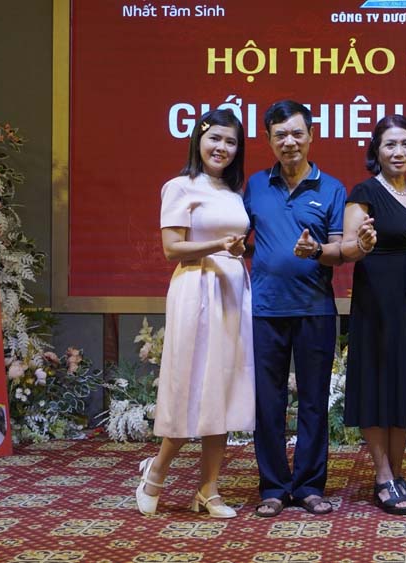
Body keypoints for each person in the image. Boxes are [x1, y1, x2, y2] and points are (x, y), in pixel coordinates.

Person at [244, 100, 373, 517]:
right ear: (268, 139)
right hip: (265, 309)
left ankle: (310, 486)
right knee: (268, 402)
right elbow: (241, 238)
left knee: (314, 401)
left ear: (311, 136)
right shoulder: (255, 186)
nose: (290, 142)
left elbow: (340, 250)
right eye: (280, 135)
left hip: (315, 309)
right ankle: (273, 487)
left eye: (297, 133)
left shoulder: (331, 188)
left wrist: (316, 250)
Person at [136, 109, 253, 519]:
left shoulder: (234, 192)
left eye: (231, 142)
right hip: (195, 289)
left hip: (232, 291)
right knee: (190, 385)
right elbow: (172, 249)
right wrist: (220, 245)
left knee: (222, 387)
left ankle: (208, 489)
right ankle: (155, 472)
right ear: (198, 140)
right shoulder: (180, 187)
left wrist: (235, 250)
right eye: (215, 138)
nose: (222, 148)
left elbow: (233, 241)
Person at [342, 115, 406, 515]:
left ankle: (397, 475)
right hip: (376, 301)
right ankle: (382, 476)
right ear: (376, 151)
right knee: (376, 384)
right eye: (390, 145)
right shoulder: (364, 193)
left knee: (403, 386)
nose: (398, 152)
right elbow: (347, 247)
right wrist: (361, 243)